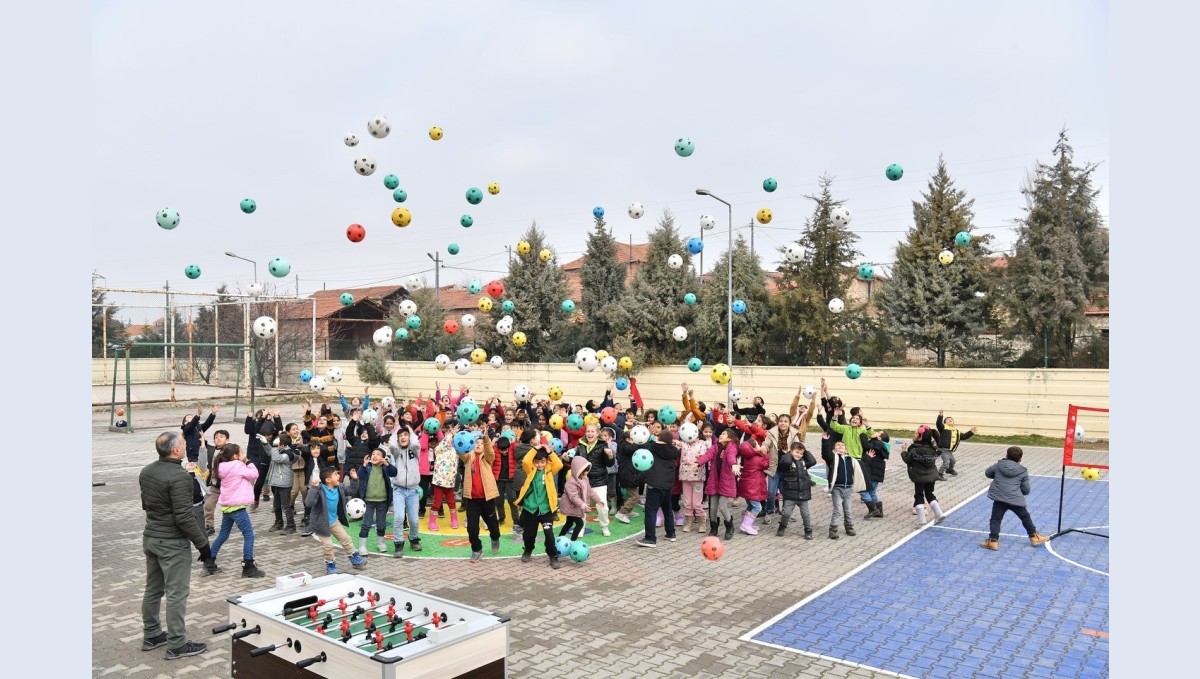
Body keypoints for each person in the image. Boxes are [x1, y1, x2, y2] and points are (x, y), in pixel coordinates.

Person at [140, 432, 211, 660]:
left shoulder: (147, 471)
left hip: (151, 537)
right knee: (176, 594)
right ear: (176, 451)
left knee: (153, 589)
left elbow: (146, 505)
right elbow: (184, 517)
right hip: (172, 543)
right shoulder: (179, 477)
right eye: (182, 444)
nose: (183, 447)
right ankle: (177, 644)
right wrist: (203, 544)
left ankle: (152, 634)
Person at [204, 443, 266, 578]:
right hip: (237, 507)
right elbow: (254, 474)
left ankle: (209, 562)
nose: (243, 454)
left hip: (227, 506)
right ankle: (248, 566)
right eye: (241, 452)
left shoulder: (221, 466)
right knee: (249, 534)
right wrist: (247, 461)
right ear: (235, 456)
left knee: (223, 535)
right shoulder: (238, 465)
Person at [980, 447, 1049, 550]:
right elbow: (1026, 490)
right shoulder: (1023, 471)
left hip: (1000, 498)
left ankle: (993, 541)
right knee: (1025, 517)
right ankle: (1034, 537)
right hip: (1015, 499)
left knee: (996, 519)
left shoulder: (999, 465)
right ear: (1020, 458)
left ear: (1007, 455)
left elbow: (988, 473)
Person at [305, 466, 368, 574]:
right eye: (336, 474)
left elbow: (352, 490)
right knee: (329, 545)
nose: (339, 476)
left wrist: (355, 479)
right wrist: (313, 488)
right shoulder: (319, 490)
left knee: (346, 539)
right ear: (328, 480)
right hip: (321, 523)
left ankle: (354, 559)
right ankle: (330, 563)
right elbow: (309, 503)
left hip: (334, 520)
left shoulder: (339, 487)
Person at [515, 446, 564, 568]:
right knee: (529, 535)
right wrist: (535, 449)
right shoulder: (530, 469)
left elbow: (559, 464)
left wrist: (550, 452)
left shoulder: (549, 470)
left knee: (549, 535)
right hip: (531, 509)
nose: (540, 464)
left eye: (542, 462)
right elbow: (526, 461)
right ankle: (528, 550)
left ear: (547, 461)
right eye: (537, 462)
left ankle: (553, 556)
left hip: (546, 510)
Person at [460, 429, 503, 562]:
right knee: (472, 529)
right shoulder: (468, 457)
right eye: (475, 443)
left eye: (481, 443)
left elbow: (490, 451)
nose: (478, 445)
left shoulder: (487, 457)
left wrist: (486, 439)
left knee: (493, 526)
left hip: (487, 498)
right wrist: (457, 438)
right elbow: (461, 451)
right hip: (472, 500)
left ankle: (495, 537)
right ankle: (477, 549)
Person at [636, 430, 680, 548]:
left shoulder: (652, 447)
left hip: (654, 485)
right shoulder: (673, 451)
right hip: (667, 485)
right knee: (667, 509)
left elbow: (642, 445)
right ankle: (671, 533)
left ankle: (650, 538)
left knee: (651, 511)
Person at [695, 428, 739, 539]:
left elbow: (731, 457)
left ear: (729, 438)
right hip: (714, 481)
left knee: (722, 506)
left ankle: (729, 526)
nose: (721, 435)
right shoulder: (715, 446)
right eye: (721, 433)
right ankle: (714, 528)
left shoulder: (731, 447)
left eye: (724, 434)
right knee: (713, 508)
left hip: (725, 482)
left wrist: (734, 464)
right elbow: (707, 455)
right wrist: (698, 462)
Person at [355, 447, 396, 556]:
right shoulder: (367, 467)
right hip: (368, 501)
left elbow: (394, 473)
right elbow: (360, 475)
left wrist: (387, 464)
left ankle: (380, 543)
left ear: (383, 458)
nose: (375, 456)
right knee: (366, 524)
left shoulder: (385, 468)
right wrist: (363, 465)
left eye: (378, 454)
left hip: (382, 501)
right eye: (373, 454)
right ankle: (362, 546)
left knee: (381, 524)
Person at [389, 426, 423, 555]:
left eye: (405, 435)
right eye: (400, 436)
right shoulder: (396, 451)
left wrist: (410, 430)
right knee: (398, 517)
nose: (403, 437)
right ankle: (398, 543)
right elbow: (392, 445)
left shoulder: (415, 450)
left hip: (413, 490)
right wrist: (395, 430)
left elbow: (415, 442)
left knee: (414, 519)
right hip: (399, 489)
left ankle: (414, 539)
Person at [901, 426, 945, 526]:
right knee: (930, 494)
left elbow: (907, 460)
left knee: (919, 496)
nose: (914, 434)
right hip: (931, 476)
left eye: (916, 433)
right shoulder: (933, 448)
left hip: (919, 477)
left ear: (920, 437)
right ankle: (939, 513)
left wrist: (903, 451)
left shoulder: (914, 449)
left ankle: (922, 519)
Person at [574, 423, 613, 537]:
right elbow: (576, 461)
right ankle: (580, 527)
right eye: (588, 431)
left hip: (599, 480)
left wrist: (610, 456)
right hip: (583, 481)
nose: (590, 433)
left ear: (597, 433)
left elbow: (609, 464)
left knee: (602, 506)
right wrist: (569, 458)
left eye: (592, 431)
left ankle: (604, 526)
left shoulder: (603, 445)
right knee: (581, 506)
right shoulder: (580, 445)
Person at [822, 440, 865, 539]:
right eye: (838, 445)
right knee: (837, 510)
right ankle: (833, 529)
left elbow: (862, 464)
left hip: (848, 489)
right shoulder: (833, 458)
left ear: (846, 450)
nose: (840, 446)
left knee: (848, 510)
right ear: (834, 449)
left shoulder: (851, 460)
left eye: (842, 445)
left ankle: (849, 526)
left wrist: (869, 458)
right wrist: (825, 441)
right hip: (837, 488)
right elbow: (825, 454)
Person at [775, 441, 818, 539]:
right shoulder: (786, 462)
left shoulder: (803, 462)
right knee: (786, 513)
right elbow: (786, 462)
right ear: (791, 451)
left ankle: (808, 529)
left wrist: (805, 451)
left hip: (803, 494)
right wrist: (788, 454)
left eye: (801, 453)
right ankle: (782, 526)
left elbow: (813, 461)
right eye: (797, 452)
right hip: (790, 494)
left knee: (805, 514)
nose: (799, 455)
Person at [559, 455, 600, 542]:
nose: (585, 473)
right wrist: (583, 505)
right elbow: (573, 497)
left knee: (569, 523)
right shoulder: (571, 482)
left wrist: (598, 500)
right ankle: (572, 541)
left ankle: (560, 538)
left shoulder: (585, 479)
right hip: (570, 506)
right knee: (579, 523)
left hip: (576, 505)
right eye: (583, 471)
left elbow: (590, 491)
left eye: (586, 471)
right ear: (576, 470)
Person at [428, 422, 460, 531]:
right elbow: (445, 443)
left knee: (451, 502)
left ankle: (454, 519)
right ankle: (432, 521)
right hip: (439, 481)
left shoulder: (455, 450)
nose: (450, 435)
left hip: (450, 481)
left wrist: (455, 436)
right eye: (447, 431)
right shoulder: (440, 448)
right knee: (437, 502)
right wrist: (451, 435)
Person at [266, 432, 299, 533]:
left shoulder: (288, 454)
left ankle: (291, 525)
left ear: (282, 445)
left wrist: (275, 446)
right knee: (276, 505)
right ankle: (278, 523)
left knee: (285, 506)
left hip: (284, 483)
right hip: (277, 482)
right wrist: (265, 443)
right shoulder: (278, 450)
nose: (275, 444)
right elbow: (269, 452)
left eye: (277, 442)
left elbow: (276, 458)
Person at [935, 410, 977, 480]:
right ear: (945, 422)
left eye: (951, 420)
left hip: (949, 451)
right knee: (946, 463)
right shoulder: (943, 428)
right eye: (948, 420)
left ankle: (949, 470)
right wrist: (940, 416)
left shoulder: (956, 431)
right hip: (943, 449)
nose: (950, 420)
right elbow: (938, 423)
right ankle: (939, 474)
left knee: (953, 461)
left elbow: (963, 437)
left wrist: (971, 432)